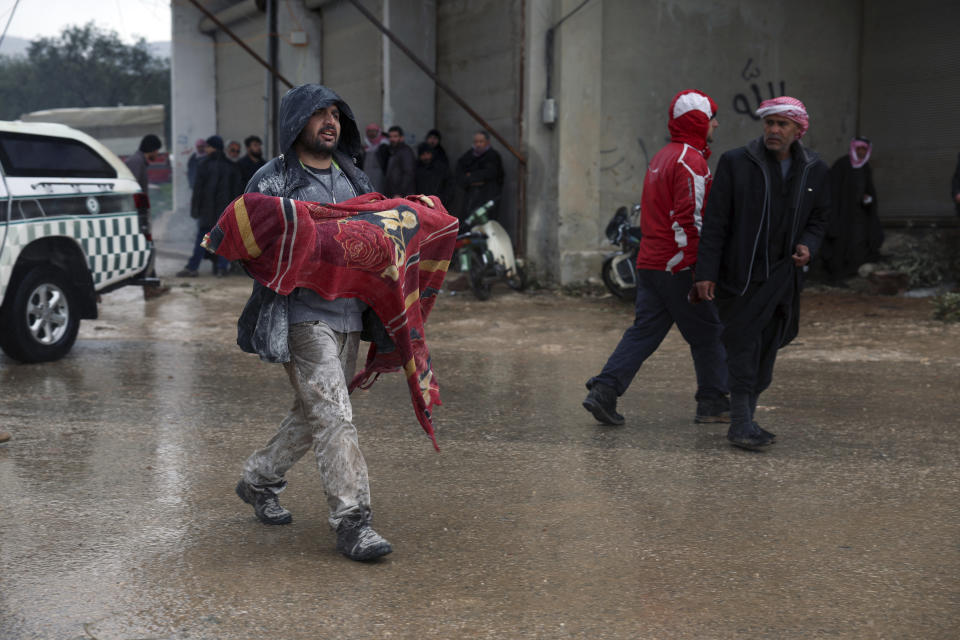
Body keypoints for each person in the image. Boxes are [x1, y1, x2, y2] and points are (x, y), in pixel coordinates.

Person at [233, 83, 393, 561]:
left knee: (315, 414)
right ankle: (353, 521)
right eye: (318, 114)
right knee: (335, 416)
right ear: (295, 123)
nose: (330, 123)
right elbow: (247, 244)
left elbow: (381, 236)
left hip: (349, 316)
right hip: (301, 316)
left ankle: (258, 479)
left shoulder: (355, 179)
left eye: (335, 115)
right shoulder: (272, 180)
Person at [582, 90, 729, 427]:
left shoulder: (664, 156)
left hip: (649, 261)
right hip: (677, 265)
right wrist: (698, 267)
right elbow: (691, 220)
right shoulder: (691, 161)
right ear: (699, 122)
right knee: (708, 332)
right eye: (712, 119)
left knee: (645, 331)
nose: (716, 124)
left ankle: (604, 390)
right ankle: (712, 401)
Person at [694, 96, 829, 450]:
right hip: (740, 277)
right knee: (742, 347)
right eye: (769, 123)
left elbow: (819, 219)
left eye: (782, 124)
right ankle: (740, 425)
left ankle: (747, 420)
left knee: (768, 349)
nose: (773, 130)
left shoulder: (814, 168)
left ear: (798, 130)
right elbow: (716, 222)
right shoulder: (737, 163)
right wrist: (704, 272)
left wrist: (808, 245)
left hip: (784, 277)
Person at [176, 136, 242, 277]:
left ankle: (193, 268)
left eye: (208, 146)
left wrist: (195, 210)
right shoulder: (231, 167)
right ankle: (222, 268)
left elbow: (198, 191)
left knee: (203, 240)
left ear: (214, 148)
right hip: (225, 214)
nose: (205, 149)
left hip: (206, 214)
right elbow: (237, 193)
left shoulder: (203, 165)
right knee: (223, 241)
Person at [820, 137, 882, 282]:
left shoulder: (865, 168)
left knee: (857, 244)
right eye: (859, 148)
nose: (861, 152)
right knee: (839, 245)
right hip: (841, 214)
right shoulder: (841, 165)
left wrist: (868, 200)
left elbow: (869, 191)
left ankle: (851, 274)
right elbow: (831, 191)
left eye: (864, 149)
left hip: (859, 216)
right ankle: (836, 276)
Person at [125, 134, 171, 299]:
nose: (157, 155)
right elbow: (132, 190)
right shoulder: (136, 163)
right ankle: (149, 288)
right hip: (136, 216)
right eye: (157, 151)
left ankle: (150, 287)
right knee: (147, 250)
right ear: (151, 149)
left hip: (139, 214)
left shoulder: (138, 162)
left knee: (148, 250)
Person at [455, 130, 503, 222]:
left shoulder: (493, 156)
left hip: (487, 197)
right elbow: (460, 174)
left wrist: (471, 175)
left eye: (481, 142)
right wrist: (470, 179)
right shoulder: (468, 156)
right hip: (470, 198)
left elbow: (491, 173)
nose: (478, 144)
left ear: (487, 142)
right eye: (476, 142)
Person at [383, 125, 415, 197]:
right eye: (390, 136)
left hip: (402, 194)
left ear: (401, 138)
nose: (392, 139)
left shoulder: (405, 151)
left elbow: (408, 174)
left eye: (395, 136)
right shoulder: (392, 151)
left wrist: (400, 193)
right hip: (393, 193)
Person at [362, 123, 389, 193]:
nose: (371, 133)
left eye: (374, 131)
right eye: (369, 131)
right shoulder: (366, 147)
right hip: (366, 178)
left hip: (379, 179)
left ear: (378, 132)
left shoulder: (384, 146)